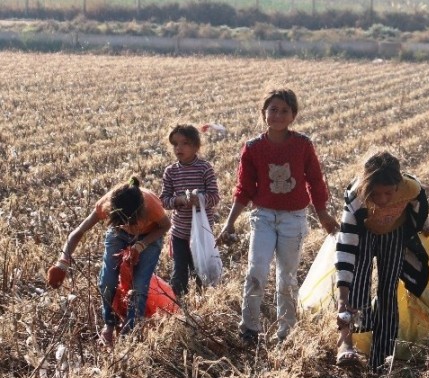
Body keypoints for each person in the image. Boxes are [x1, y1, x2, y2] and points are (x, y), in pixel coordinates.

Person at [217, 88, 339, 345]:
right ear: (264, 113)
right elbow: (244, 189)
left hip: (293, 218)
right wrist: (229, 223)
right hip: (263, 216)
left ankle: (287, 330)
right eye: (273, 109)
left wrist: (323, 213)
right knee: (256, 271)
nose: (278, 115)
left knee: (287, 276)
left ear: (293, 115)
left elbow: (315, 182)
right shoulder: (252, 148)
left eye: (284, 110)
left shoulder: (303, 145)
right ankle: (249, 327)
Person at [334, 151, 429, 372]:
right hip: (364, 232)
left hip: (395, 233)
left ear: (398, 186)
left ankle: (382, 358)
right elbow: (346, 247)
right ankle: (346, 344)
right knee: (357, 284)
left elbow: (419, 208)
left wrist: (425, 223)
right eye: (375, 194)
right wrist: (342, 295)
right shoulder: (356, 197)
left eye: (388, 193)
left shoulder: (411, 188)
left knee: (388, 291)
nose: (382, 200)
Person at [47, 177, 171, 345]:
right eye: (124, 223)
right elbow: (77, 232)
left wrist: (141, 245)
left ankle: (132, 329)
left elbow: (166, 225)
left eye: (132, 223)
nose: (129, 228)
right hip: (117, 235)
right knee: (107, 281)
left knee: (140, 285)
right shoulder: (107, 204)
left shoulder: (151, 205)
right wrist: (62, 262)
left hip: (149, 237)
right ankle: (110, 324)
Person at [160, 124, 220, 297]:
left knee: (200, 269)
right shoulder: (170, 172)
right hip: (179, 233)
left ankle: (200, 303)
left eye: (184, 143)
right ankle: (178, 304)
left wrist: (200, 199)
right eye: (175, 144)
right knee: (179, 272)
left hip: (201, 233)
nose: (179, 148)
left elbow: (215, 197)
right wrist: (178, 200)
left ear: (196, 146)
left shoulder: (204, 168)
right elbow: (163, 200)